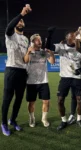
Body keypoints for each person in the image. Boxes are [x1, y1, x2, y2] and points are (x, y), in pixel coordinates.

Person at [1, 5, 32, 136]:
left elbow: (25, 60)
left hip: (22, 71)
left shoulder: (26, 39)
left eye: (22, 21)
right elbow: (9, 27)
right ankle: (3, 123)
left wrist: (29, 52)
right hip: (11, 70)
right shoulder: (10, 35)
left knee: (19, 99)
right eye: (19, 21)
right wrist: (21, 14)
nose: (20, 22)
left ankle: (12, 120)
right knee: (7, 99)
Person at [46, 31, 81, 130]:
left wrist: (80, 69)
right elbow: (49, 47)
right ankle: (64, 121)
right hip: (65, 78)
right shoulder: (61, 47)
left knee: (79, 100)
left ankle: (79, 119)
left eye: (75, 37)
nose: (73, 38)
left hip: (77, 78)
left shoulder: (79, 49)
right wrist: (50, 35)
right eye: (71, 37)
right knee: (60, 100)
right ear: (67, 38)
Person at [24, 34, 55, 128]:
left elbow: (52, 62)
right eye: (37, 40)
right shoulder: (29, 51)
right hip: (31, 82)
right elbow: (25, 61)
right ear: (32, 42)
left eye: (40, 40)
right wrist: (28, 52)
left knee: (46, 101)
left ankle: (44, 119)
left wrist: (51, 54)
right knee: (31, 102)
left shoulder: (44, 52)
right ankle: (32, 118)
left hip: (43, 81)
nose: (40, 41)